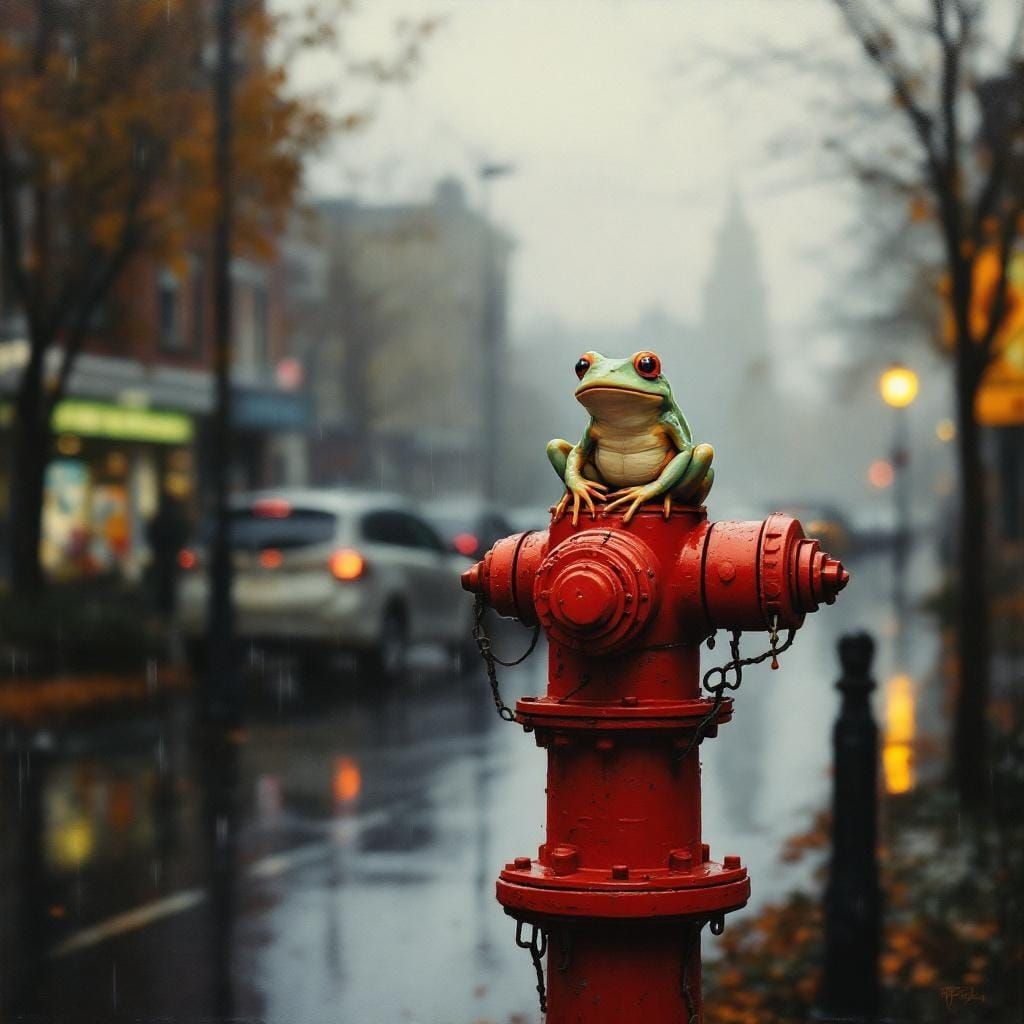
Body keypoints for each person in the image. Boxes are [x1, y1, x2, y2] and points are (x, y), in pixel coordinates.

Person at [147, 490, 189, 618]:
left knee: (162, 585)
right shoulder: (175, 518)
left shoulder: (159, 519)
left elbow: (152, 534)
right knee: (169, 585)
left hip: (162, 557)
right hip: (170, 557)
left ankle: (162, 611)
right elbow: (182, 536)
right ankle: (167, 611)